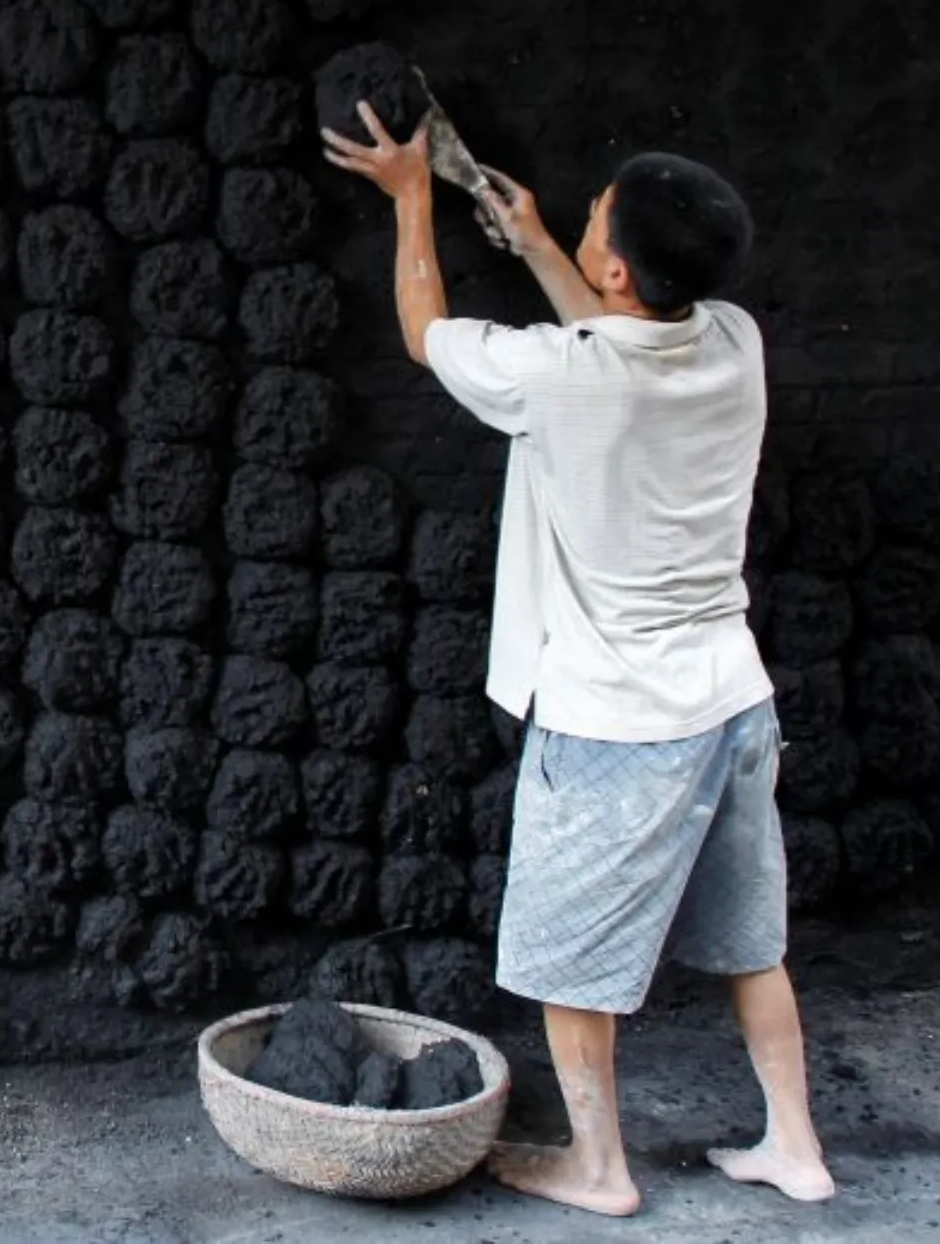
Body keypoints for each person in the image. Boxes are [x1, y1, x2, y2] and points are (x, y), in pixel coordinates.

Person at [320, 102, 836, 1218]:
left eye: (596, 216)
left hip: (614, 724)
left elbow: (425, 330)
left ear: (614, 267)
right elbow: (620, 335)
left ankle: (600, 1166)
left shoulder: (556, 379)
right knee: (754, 940)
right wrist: (550, 243)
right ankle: (797, 1144)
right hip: (731, 705)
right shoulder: (736, 343)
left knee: (568, 960)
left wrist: (412, 198)